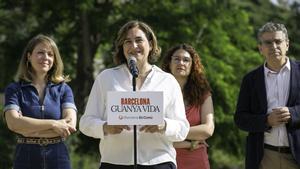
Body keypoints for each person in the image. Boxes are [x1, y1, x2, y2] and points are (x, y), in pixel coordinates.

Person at [79, 20, 189, 169]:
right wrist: (105, 127)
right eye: (127, 42)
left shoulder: (167, 81)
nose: (133, 46)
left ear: (150, 45)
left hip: (158, 162)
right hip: (115, 163)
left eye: (139, 40)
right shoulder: (106, 78)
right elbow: (86, 123)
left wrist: (164, 125)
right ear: (122, 47)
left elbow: (182, 128)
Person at [3, 34, 77, 169]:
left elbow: (70, 125)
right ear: (29, 56)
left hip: (58, 156)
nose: (46, 58)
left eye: (50, 54)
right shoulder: (14, 89)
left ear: (55, 60)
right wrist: (54, 124)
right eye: (40, 53)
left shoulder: (64, 89)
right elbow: (13, 123)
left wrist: (28, 128)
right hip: (26, 156)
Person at [234, 22, 300, 169]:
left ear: (287, 45)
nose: (274, 46)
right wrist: (266, 121)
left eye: (278, 41)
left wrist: (293, 113)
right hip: (264, 157)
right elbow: (240, 119)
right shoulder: (250, 79)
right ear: (260, 48)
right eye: (268, 42)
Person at [161, 43, 214, 169]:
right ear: (169, 63)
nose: (181, 63)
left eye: (186, 60)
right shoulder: (157, 92)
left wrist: (170, 133)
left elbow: (207, 130)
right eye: (176, 59)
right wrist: (190, 143)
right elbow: (153, 133)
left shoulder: (203, 93)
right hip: (163, 159)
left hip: (196, 161)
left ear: (192, 65)